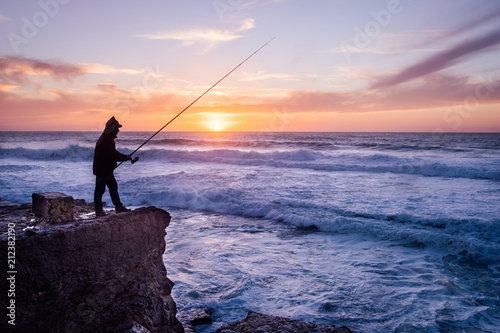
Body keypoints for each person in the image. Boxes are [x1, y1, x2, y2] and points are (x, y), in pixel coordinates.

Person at [93, 116, 132, 216]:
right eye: (116, 128)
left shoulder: (106, 138)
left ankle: (117, 207)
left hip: (105, 169)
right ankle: (99, 211)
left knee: (113, 187)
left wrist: (124, 157)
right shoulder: (107, 140)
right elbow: (112, 155)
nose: (118, 130)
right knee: (100, 190)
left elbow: (112, 154)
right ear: (111, 129)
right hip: (103, 170)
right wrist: (125, 157)